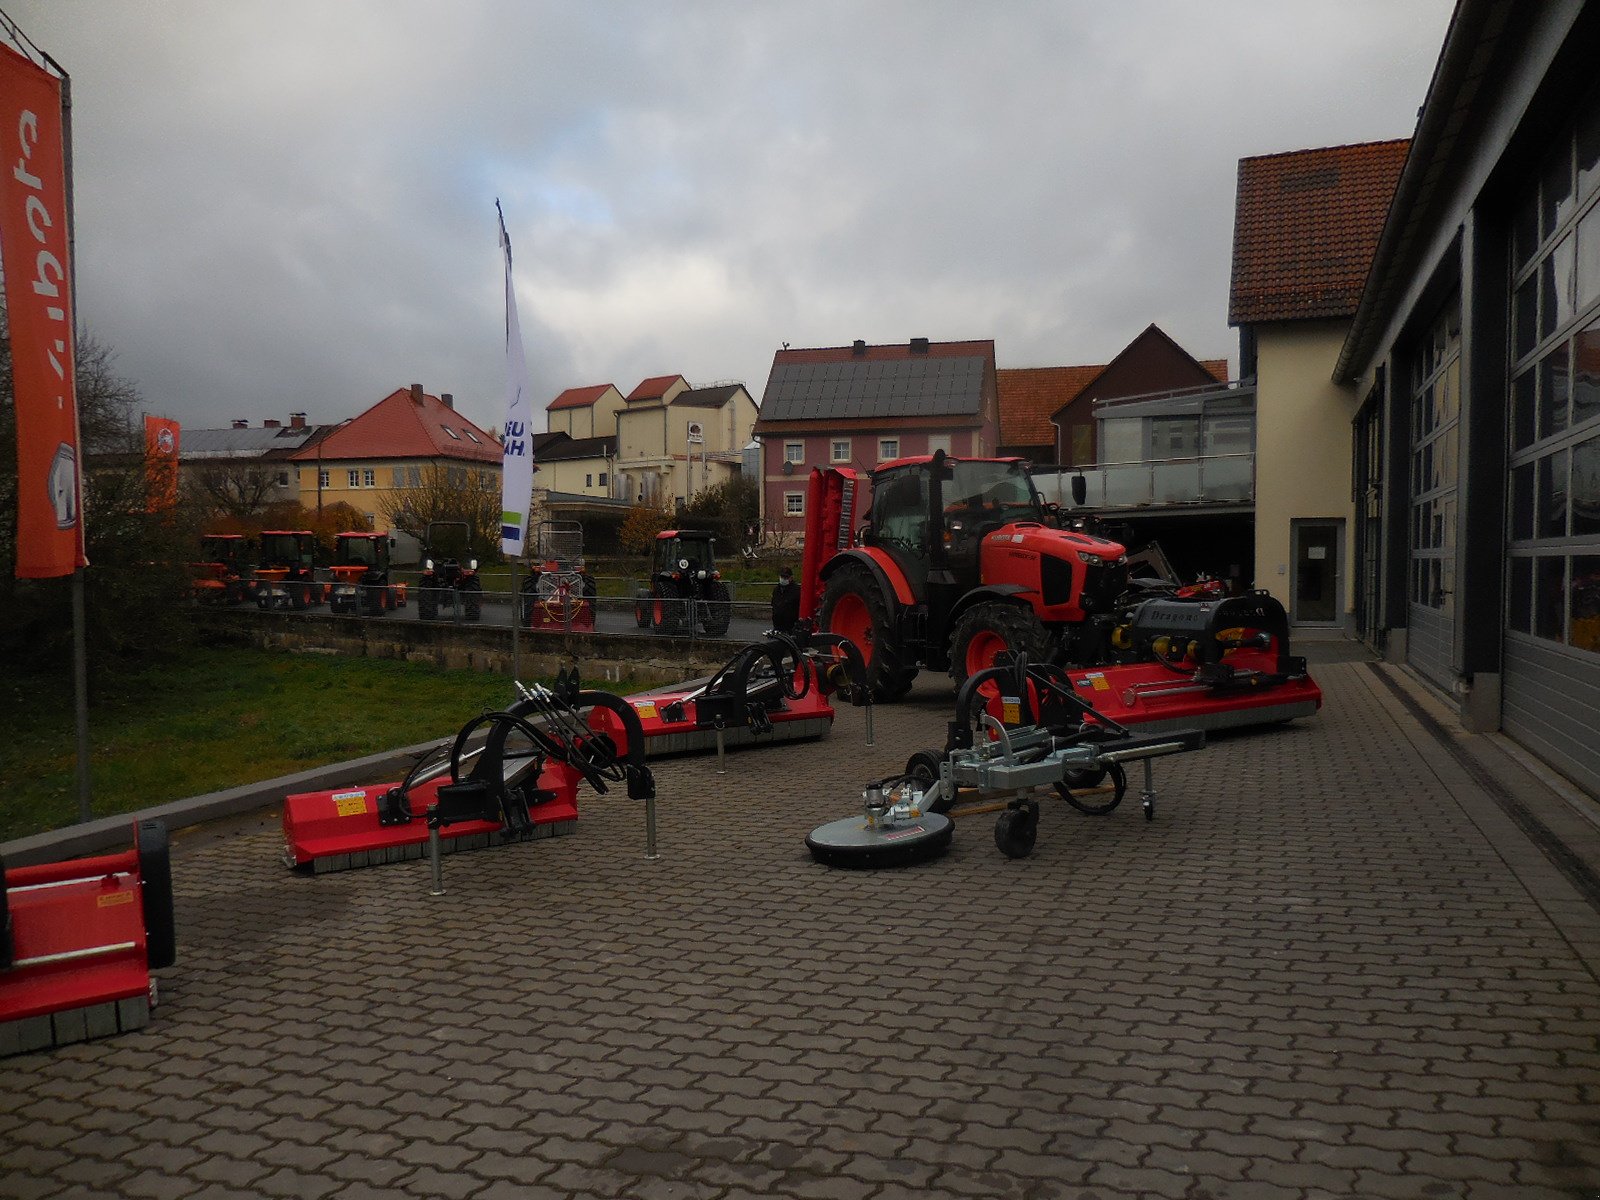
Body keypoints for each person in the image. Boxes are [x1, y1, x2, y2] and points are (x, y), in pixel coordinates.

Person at [770, 566, 801, 634]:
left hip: (791, 626)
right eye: (782, 577)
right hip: (777, 625)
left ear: (791, 578)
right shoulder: (776, 590)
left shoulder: (796, 590)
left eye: (786, 577)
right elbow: (773, 604)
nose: (783, 579)